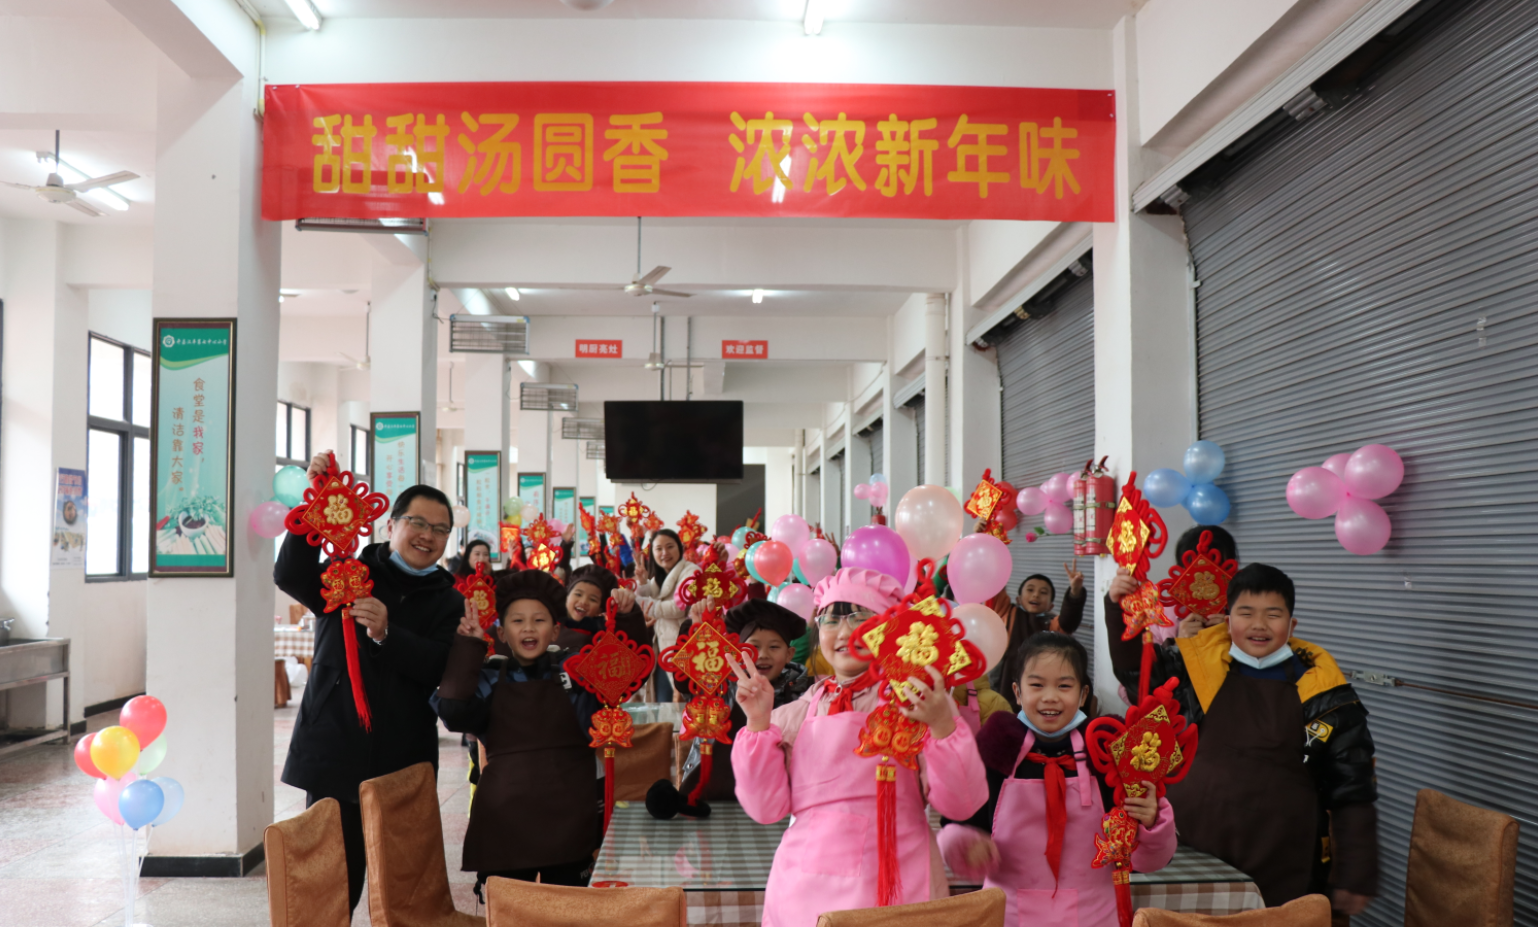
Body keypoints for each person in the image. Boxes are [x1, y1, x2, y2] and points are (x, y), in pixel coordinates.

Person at [1103, 563, 1378, 915]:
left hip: (1280, 860)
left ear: (1292, 625)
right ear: (1228, 619)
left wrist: (1355, 873)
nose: (1259, 625)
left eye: (1272, 614)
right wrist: (1117, 607)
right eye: (1246, 613)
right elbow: (1135, 671)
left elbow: (1352, 786)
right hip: (1189, 851)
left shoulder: (1325, 693)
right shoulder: (1194, 663)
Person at [730, 568, 989, 927]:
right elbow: (765, 810)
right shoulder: (791, 716)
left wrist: (944, 725)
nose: (846, 632)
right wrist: (757, 724)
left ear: (889, 630)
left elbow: (962, 803)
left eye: (861, 618)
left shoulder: (919, 706)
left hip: (900, 886)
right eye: (831, 619)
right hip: (804, 891)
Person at [275, 451, 463, 913]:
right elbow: (290, 574)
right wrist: (316, 504)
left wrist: (386, 634)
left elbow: (438, 665)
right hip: (336, 743)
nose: (428, 536)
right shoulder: (349, 572)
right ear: (391, 525)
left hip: (402, 752)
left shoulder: (448, 599)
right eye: (418, 523)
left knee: (401, 878)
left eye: (440, 530)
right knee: (332, 876)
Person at [939, 632, 1174, 926]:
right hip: (1008, 914)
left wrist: (1152, 823)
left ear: (1083, 694)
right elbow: (962, 821)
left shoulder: (1111, 748)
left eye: (1064, 685)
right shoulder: (996, 746)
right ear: (1017, 691)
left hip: (1096, 915)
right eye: (1036, 685)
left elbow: (1147, 862)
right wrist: (965, 843)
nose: (1050, 696)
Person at [434, 569, 602, 895]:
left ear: (555, 630)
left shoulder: (576, 676)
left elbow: (616, 690)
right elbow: (452, 714)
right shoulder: (488, 677)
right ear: (501, 632)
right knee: (509, 913)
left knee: (570, 913)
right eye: (517, 621)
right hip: (505, 822)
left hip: (569, 818)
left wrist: (627, 620)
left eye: (539, 620)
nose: (528, 627)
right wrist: (469, 645)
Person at [654, 599, 814, 812]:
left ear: (789, 654)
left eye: (774, 647)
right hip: (709, 796)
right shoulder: (719, 683)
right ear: (738, 650)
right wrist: (696, 627)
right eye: (754, 646)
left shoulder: (806, 695)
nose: (763, 654)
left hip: (779, 801)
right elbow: (685, 679)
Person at [989, 561, 1087, 709]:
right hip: (1004, 692)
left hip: (1040, 695)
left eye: (1043, 593)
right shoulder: (1007, 613)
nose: (1036, 594)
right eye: (1030, 590)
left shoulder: (1052, 624)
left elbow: (1069, 621)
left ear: (1051, 606)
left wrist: (1075, 592)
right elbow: (994, 589)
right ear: (1018, 599)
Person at [634, 528, 698, 700]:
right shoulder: (661, 575)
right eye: (658, 549)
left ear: (679, 547)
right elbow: (653, 594)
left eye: (670, 546)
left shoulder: (691, 571)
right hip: (663, 647)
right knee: (664, 701)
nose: (664, 553)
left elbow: (679, 607)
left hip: (684, 648)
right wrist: (642, 583)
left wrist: (640, 602)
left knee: (683, 702)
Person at [559, 563, 649, 652]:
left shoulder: (605, 636)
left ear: (600, 610)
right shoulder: (551, 625)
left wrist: (629, 614)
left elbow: (637, 655)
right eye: (578, 594)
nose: (583, 602)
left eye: (593, 599)